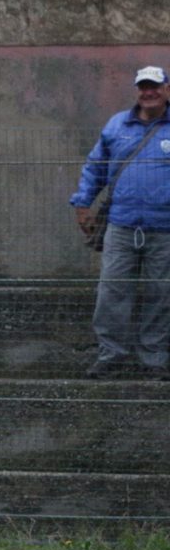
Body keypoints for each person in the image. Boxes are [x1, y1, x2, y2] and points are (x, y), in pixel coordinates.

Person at [71, 65, 170, 381]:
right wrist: (82, 202)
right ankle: (111, 355)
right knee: (112, 291)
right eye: (143, 87)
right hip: (121, 225)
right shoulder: (117, 125)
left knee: (161, 294)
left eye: (154, 86)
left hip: (164, 227)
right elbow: (94, 167)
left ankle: (154, 360)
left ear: (166, 89)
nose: (148, 92)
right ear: (137, 90)